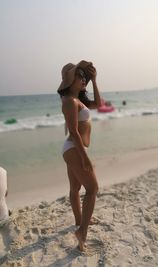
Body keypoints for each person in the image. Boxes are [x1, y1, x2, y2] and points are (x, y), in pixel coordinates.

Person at [57, 60, 101, 251]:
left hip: (74, 149)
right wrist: (85, 158)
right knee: (92, 189)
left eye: (85, 77)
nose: (83, 79)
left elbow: (99, 104)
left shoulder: (78, 100)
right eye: (79, 76)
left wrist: (94, 81)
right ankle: (81, 232)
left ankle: (79, 220)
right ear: (69, 79)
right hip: (75, 149)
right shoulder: (69, 101)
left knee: (75, 188)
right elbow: (74, 132)